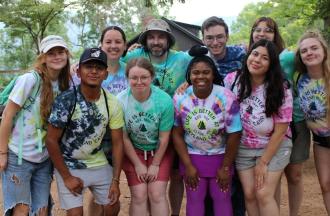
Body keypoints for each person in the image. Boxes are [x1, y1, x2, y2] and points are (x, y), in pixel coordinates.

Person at [122, 18, 191, 215]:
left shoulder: (182, 59)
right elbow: (112, 61)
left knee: (172, 179)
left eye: (161, 37)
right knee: (140, 194)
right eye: (151, 37)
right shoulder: (135, 55)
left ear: (168, 39)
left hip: (172, 126)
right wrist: (75, 65)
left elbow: (203, 68)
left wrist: (189, 84)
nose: (156, 41)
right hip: (139, 132)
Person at [46, 47, 124, 216]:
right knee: (76, 214)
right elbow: (51, 140)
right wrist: (67, 177)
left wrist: (116, 181)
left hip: (98, 161)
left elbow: (118, 143)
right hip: (69, 163)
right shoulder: (66, 100)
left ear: (106, 74)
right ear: (79, 71)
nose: (94, 71)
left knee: (113, 205)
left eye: (99, 67)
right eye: (89, 67)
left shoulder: (112, 103)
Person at [0, 35, 71, 215]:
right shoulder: (30, 80)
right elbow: (8, 115)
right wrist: (2, 153)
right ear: (43, 57)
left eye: (60, 52)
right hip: (18, 155)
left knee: (41, 209)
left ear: (67, 54)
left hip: (44, 158)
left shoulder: (65, 84)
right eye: (51, 53)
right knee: (21, 209)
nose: (57, 56)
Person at [248, 17, 311, 216]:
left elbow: (314, 66)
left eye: (268, 30)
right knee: (268, 181)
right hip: (263, 125)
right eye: (257, 29)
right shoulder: (249, 56)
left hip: (295, 121)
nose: (262, 33)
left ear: (276, 34)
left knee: (294, 175)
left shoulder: (288, 57)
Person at [224, 39, 293, 216]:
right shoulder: (232, 80)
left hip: (274, 145)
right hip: (244, 146)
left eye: (265, 58)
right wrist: (187, 83)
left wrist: (263, 162)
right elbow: (212, 93)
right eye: (255, 54)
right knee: (249, 194)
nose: (257, 60)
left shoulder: (281, 89)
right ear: (248, 55)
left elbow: (281, 130)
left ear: (271, 64)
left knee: (263, 193)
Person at [172, 45, 242, 216]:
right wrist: (188, 165)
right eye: (196, 72)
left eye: (206, 72)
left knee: (222, 198)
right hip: (192, 156)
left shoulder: (226, 97)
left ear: (213, 74)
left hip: (220, 155)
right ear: (189, 75)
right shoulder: (180, 97)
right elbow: (177, 133)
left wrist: (225, 167)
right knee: (194, 198)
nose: (201, 76)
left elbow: (234, 134)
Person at [117, 57, 174, 216]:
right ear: (127, 78)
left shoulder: (163, 100)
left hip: (159, 150)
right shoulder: (121, 101)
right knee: (139, 195)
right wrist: (137, 164)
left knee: (156, 194)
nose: (139, 81)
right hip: (133, 150)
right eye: (134, 78)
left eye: (144, 77)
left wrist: (155, 164)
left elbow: (164, 138)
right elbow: (124, 137)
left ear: (152, 77)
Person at [295, 30, 330, 214]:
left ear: (324, 50)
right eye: (304, 50)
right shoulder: (300, 79)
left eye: (314, 48)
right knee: (325, 185)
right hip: (321, 142)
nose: (309, 53)